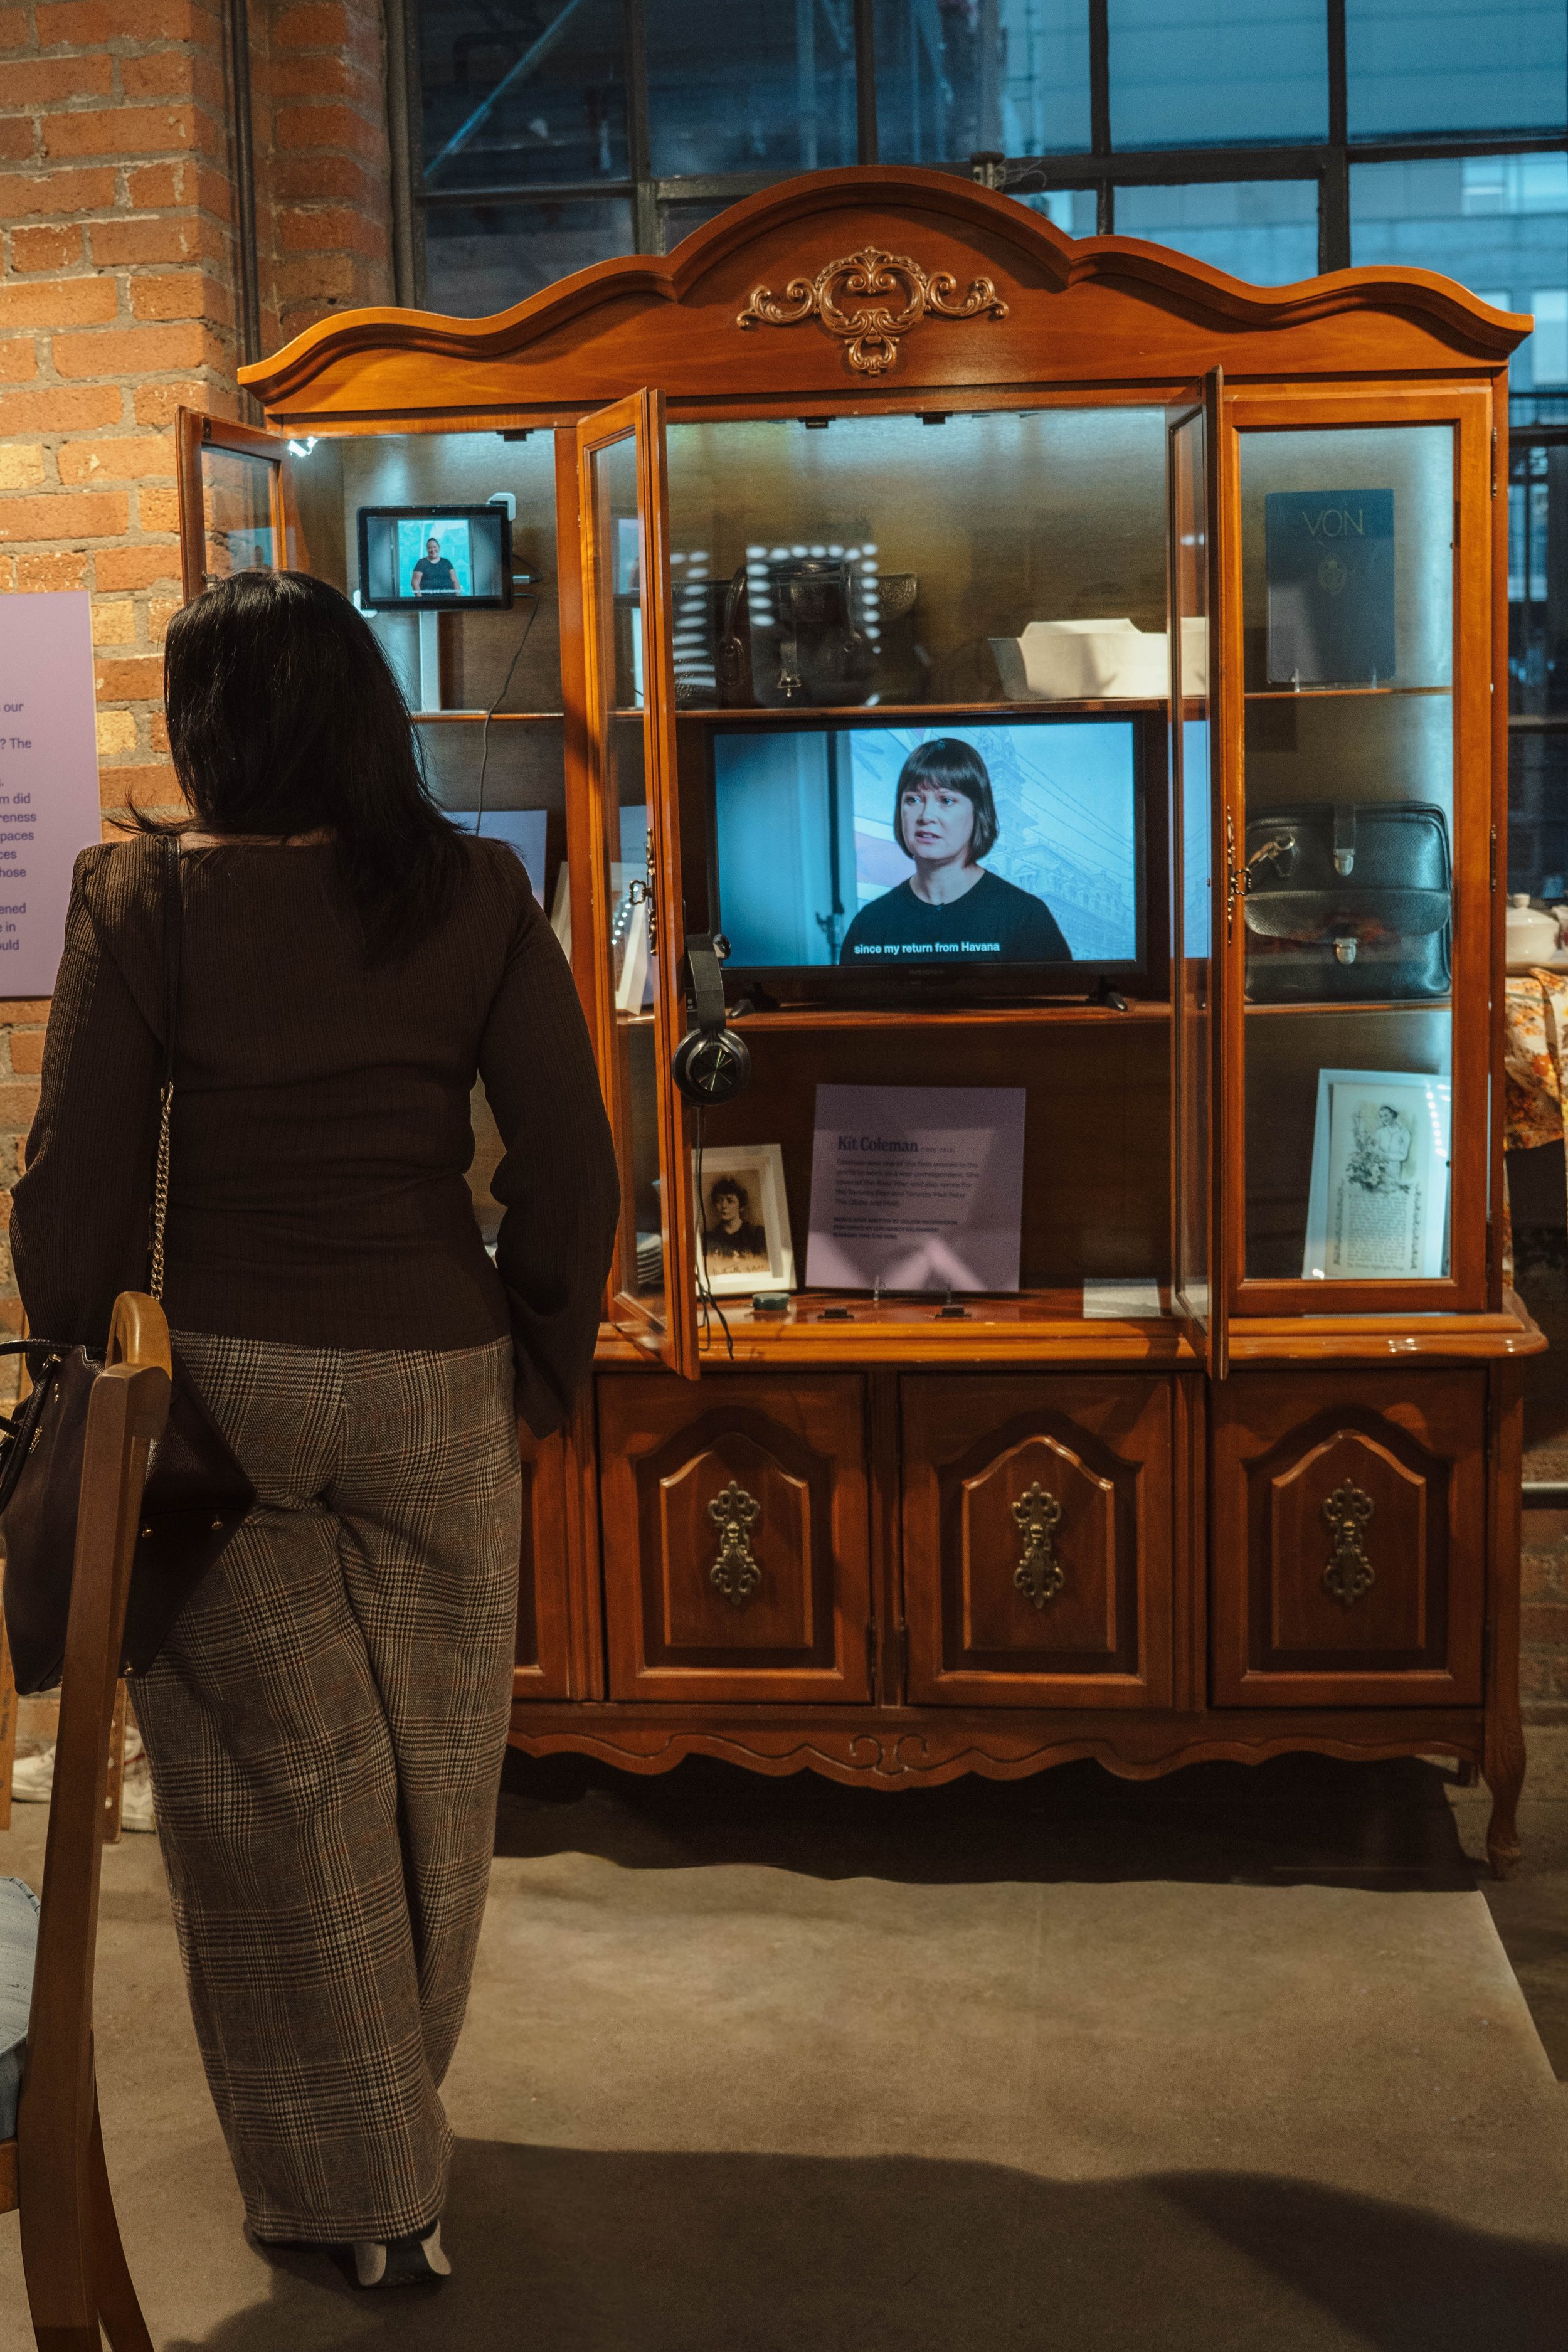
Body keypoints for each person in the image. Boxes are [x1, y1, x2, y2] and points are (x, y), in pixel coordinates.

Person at [10, 570, 618, 2291]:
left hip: (224, 1391)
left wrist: (80, 1355)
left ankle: (349, 2182)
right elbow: (571, 1168)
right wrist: (537, 1368)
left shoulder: (137, 900)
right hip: (438, 1367)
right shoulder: (474, 887)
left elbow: (75, 1190)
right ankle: (390, 2145)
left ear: (214, 729)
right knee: (433, 1773)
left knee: (272, 1783)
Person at [839, 737, 1071, 965]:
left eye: (946, 800)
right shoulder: (870, 923)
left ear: (978, 813)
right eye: (913, 800)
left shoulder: (1027, 918)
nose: (926, 816)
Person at [701, 1176, 768, 1271]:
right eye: (720, 1200)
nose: (724, 1205)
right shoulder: (707, 1240)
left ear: (741, 1206)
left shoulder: (757, 1235)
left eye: (730, 1201)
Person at [411, 532, 458, 596]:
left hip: (449, 600)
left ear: (439, 548)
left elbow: (455, 581)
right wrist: (421, 601)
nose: (433, 550)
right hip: (428, 602)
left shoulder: (447, 562)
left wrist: (458, 598)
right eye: (430, 548)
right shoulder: (421, 563)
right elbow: (415, 583)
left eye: (435, 547)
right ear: (427, 550)